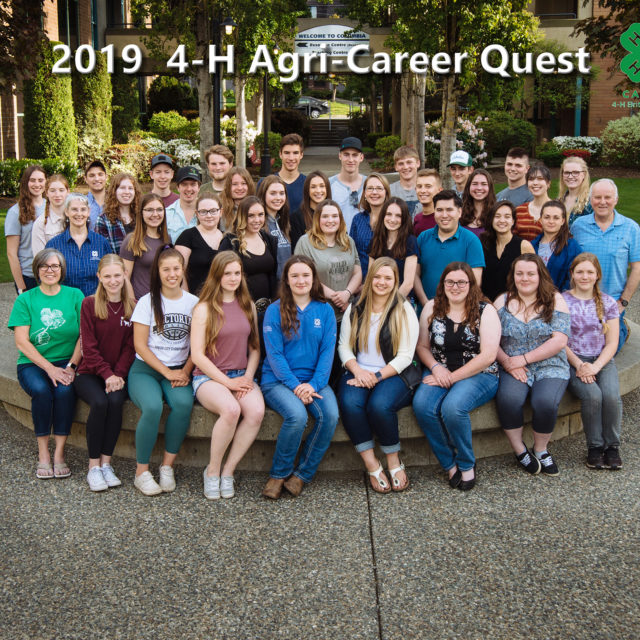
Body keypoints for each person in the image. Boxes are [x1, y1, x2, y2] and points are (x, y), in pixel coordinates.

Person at [412, 262, 501, 491]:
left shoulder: (485, 310)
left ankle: (466, 463)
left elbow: (489, 355)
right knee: (422, 405)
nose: (455, 286)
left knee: (452, 407)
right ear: (443, 284)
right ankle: (449, 464)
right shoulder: (432, 307)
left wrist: (452, 377)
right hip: (439, 370)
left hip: (479, 373)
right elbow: (422, 346)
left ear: (471, 284)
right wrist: (435, 368)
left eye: (462, 282)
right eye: (450, 281)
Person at [337, 257, 420, 493]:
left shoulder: (403, 308)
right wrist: (358, 370)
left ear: (395, 281)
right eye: (377, 276)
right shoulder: (357, 306)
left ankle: (393, 461)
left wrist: (377, 377)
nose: (381, 282)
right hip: (358, 369)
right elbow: (344, 346)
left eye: (388, 278)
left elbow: (405, 355)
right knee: (350, 403)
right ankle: (372, 464)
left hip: (394, 372)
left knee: (380, 406)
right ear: (370, 277)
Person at [261, 255, 339, 499]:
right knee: (295, 416)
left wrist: (313, 385)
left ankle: (301, 475)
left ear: (314, 278)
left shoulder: (325, 310)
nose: (300, 280)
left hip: (315, 380)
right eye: (294, 275)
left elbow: (328, 353)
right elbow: (274, 355)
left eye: (306, 275)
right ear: (286, 280)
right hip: (277, 381)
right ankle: (278, 474)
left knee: (330, 415)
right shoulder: (274, 310)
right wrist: (297, 387)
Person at [191, 251, 264, 500]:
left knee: (255, 412)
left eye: (237, 273)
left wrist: (247, 377)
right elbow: (198, 356)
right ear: (217, 275)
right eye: (227, 273)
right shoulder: (203, 308)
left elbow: (255, 348)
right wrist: (228, 382)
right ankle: (212, 471)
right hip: (209, 377)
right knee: (231, 410)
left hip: (242, 374)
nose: (233, 278)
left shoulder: (248, 306)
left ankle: (228, 471)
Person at [129, 247, 198, 496]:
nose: (171, 274)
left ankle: (167, 467)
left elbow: (197, 346)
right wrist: (167, 373)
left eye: (176, 269)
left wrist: (185, 371)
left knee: (182, 404)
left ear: (183, 270)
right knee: (153, 407)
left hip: (179, 369)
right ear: (158, 272)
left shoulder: (194, 303)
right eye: (165, 269)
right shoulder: (147, 301)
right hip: (145, 370)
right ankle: (142, 472)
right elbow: (139, 345)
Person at [8, 249, 83, 479]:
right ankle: (43, 453)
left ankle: (59, 453)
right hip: (33, 363)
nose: (50, 270)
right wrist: (49, 368)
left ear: (62, 270)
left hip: (67, 361)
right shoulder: (26, 299)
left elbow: (84, 336)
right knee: (41, 391)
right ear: (37, 270)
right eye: (45, 266)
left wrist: (70, 366)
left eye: (55, 266)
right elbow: (21, 341)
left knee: (65, 391)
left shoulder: (75, 295)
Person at [494, 254, 571, 476]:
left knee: (545, 402)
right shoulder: (502, 302)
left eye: (530, 273)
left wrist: (525, 359)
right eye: (519, 273)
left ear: (540, 276)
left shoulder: (555, 300)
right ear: (513, 276)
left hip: (550, 364)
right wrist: (508, 363)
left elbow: (559, 341)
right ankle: (520, 450)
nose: (524, 278)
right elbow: (490, 340)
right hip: (512, 365)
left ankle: (541, 449)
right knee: (509, 400)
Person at [74, 255, 136, 491]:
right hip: (91, 373)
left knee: (116, 400)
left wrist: (118, 374)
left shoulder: (132, 304)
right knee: (100, 402)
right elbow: (88, 347)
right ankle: (93, 467)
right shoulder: (90, 304)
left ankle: (106, 463)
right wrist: (107, 374)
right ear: (99, 276)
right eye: (107, 276)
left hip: (118, 375)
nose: (113, 281)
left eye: (117, 275)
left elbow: (131, 347)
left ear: (124, 275)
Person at [563, 253, 622, 470]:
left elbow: (612, 342)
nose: (584, 276)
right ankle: (595, 447)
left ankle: (612, 447)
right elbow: (561, 341)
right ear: (572, 274)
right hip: (573, 361)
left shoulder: (607, 302)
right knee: (593, 395)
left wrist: (596, 366)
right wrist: (579, 365)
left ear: (597, 275)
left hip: (602, 359)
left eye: (589, 272)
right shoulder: (563, 300)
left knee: (611, 396)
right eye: (580, 271)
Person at [571, 179, 640, 350]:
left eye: (607, 197)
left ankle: (622, 328)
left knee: (606, 348)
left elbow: (637, 268)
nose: (602, 202)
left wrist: (623, 301)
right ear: (590, 199)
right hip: (582, 300)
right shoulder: (578, 226)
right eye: (597, 197)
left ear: (616, 199)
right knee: (578, 347)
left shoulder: (631, 228)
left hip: (613, 301)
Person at [414, 190, 485, 306]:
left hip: (458, 311)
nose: (444, 215)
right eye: (439, 210)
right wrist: (425, 303)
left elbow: (475, 281)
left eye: (449, 210)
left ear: (459, 212)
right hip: (425, 308)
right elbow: (415, 274)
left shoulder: (471, 241)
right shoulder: (423, 238)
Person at [294, 199, 362, 320]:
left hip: (347, 311)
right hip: (317, 312)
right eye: (325, 216)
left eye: (334, 216)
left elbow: (357, 272)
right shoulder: (305, 242)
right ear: (317, 219)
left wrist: (347, 293)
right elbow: (302, 276)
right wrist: (335, 296)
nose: (330, 220)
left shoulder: (348, 241)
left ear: (340, 219)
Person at [45, 193, 111, 297]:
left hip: (96, 305)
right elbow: (45, 277)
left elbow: (111, 275)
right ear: (67, 211)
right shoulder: (54, 245)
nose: (79, 213)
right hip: (65, 305)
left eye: (83, 209)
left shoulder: (101, 243)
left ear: (88, 212)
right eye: (74, 209)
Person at [219, 196, 278, 310]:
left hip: (268, 308)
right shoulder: (230, 242)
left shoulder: (269, 240)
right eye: (251, 215)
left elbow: (273, 275)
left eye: (261, 214)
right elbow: (220, 277)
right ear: (242, 216)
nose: (257, 220)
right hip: (241, 307)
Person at [480, 201, 534, 301]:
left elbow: (533, 277)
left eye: (507, 216)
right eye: (497, 216)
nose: (502, 220)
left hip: (515, 304)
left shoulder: (524, 246)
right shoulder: (483, 244)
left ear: (513, 221)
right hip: (486, 304)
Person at [120, 193, 171, 300]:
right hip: (141, 303)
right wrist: (133, 304)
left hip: (164, 301)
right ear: (141, 213)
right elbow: (125, 278)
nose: (155, 214)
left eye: (159, 209)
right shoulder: (132, 240)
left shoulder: (167, 240)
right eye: (149, 210)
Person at [5, 164, 47, 294]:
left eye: (40, 180)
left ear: (46, 182)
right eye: (32, 180)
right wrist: (21, 286)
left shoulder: (51, 206)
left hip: (52, 274)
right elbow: (11, 253)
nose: (37, 184)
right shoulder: (15, 212)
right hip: (29, 277)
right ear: (25, 183)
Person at [368, 197, 418, 299]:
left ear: (404, 218)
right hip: (377, 299)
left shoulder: (410, 242)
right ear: (383, 216)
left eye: (398, 216)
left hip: (401, 300)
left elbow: (408, 284)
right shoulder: (376, 241)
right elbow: (370, 276)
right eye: (389, 214)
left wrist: (390, 306)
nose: (392, 219)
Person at [175, 194, 224, 295]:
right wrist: (187, 298)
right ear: (197, 214)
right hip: (196, 298)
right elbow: (180, 272)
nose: (209, 215)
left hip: (222, 298)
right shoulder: (187, 236)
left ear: (221, 212)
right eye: (203, 212)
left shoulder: (228, 238)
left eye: (213, 211)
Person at [531, 200, 582, 292]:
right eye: (547, 217)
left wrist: (559, 298)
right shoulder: (532, 246)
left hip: (560, 300)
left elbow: (574, 278)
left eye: (556, 218)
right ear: (541, 219)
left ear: (562, 221)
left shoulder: (571, 247)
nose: (551, 221)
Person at [349, 172, 391, 282]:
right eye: (370, 188)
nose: (374, 192)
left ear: (386, 192)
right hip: (360, 281)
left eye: (379, 188)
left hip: (386, 281)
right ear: (365, 194)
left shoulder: (394, 220)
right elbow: (352, 254)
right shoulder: (358, 220)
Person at [95, 172, 140, 254]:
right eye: (122, 188)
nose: (127, 192)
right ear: (114, 191)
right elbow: (101, 252)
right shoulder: (103, 220)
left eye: (130, 188)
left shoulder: (141, 216)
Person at [257, 174, 291, 279]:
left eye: (281, 193)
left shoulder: (285, 223)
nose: (278, 198)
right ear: (263, 195)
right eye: (273, 193)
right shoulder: (258, 225)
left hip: (286, 285)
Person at [329, 137, 366, 229]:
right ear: (339, 156)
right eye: (346, 155)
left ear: (361, 157)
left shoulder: (370, 184)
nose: (350, 159)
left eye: (355, 155)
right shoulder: (328, 184)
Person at [289, 170, 331, 250]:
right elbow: (297, 250)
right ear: (307, 190)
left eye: (322, 186)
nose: (318, 190)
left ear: (327, 189)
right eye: (313, 187)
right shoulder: (296, 217)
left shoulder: (334, 214)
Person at [31, 174, 70, 255]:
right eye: (52, 190)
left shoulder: (76, 219)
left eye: (61, 190)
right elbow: (40, 258)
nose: (57, 194)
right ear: (47, 193)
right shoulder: (40, 223)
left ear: (68, 192)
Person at [514, 163, 552, 241]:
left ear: (548, 183)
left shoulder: (558, 209)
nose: (535, 183)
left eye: (540, 178)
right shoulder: (519, 210)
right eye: (531, 179)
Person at [166, 165, 201, 243]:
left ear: (199, 187)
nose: (189, 189)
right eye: (184, 184)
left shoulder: (207, 213)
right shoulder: (167, 214)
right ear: (178, 187)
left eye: (193, 184)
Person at [275, 132, 306, 214]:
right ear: (280, 154)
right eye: (287, 153)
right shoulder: (266, 183)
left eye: (295, 153)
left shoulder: (309, 184)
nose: (291, 158)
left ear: (301, 155)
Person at [460, 169, 496, 237]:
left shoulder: (496, 214)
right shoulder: (459, 214)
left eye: (484, 184)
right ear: (468, 187)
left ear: (489, 187)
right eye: (475, 184)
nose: (479, 188)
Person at [559, 156, 592, 226]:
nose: (570, 176)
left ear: (584, 174)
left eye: (576, 172)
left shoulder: (591, 203)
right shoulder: (559, 201)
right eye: (567, 173)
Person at [219, 167, 255, 231]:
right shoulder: (220, 209)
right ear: (228, 186)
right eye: (234, 184)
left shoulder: (256, 207)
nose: (240, 188)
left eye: (243, 183)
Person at [389, 145, 421, 217]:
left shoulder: (427, 190)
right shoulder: (389, 191)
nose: (405, 167)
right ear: (396, 167)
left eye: (409, 162)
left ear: (418, 163)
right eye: (401, 164)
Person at [413, 168, 442, 236]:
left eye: (428, 186)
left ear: (439, 190)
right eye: (419, 186)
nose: (423, 191)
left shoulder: (444, 219)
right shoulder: (417, 219)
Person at [84, 160, 107, 230]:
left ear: (106, 177)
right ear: (85, 179)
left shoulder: (116, 201)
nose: (97, 179)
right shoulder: (82, 203)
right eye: (92, 175)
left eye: (100, 174)